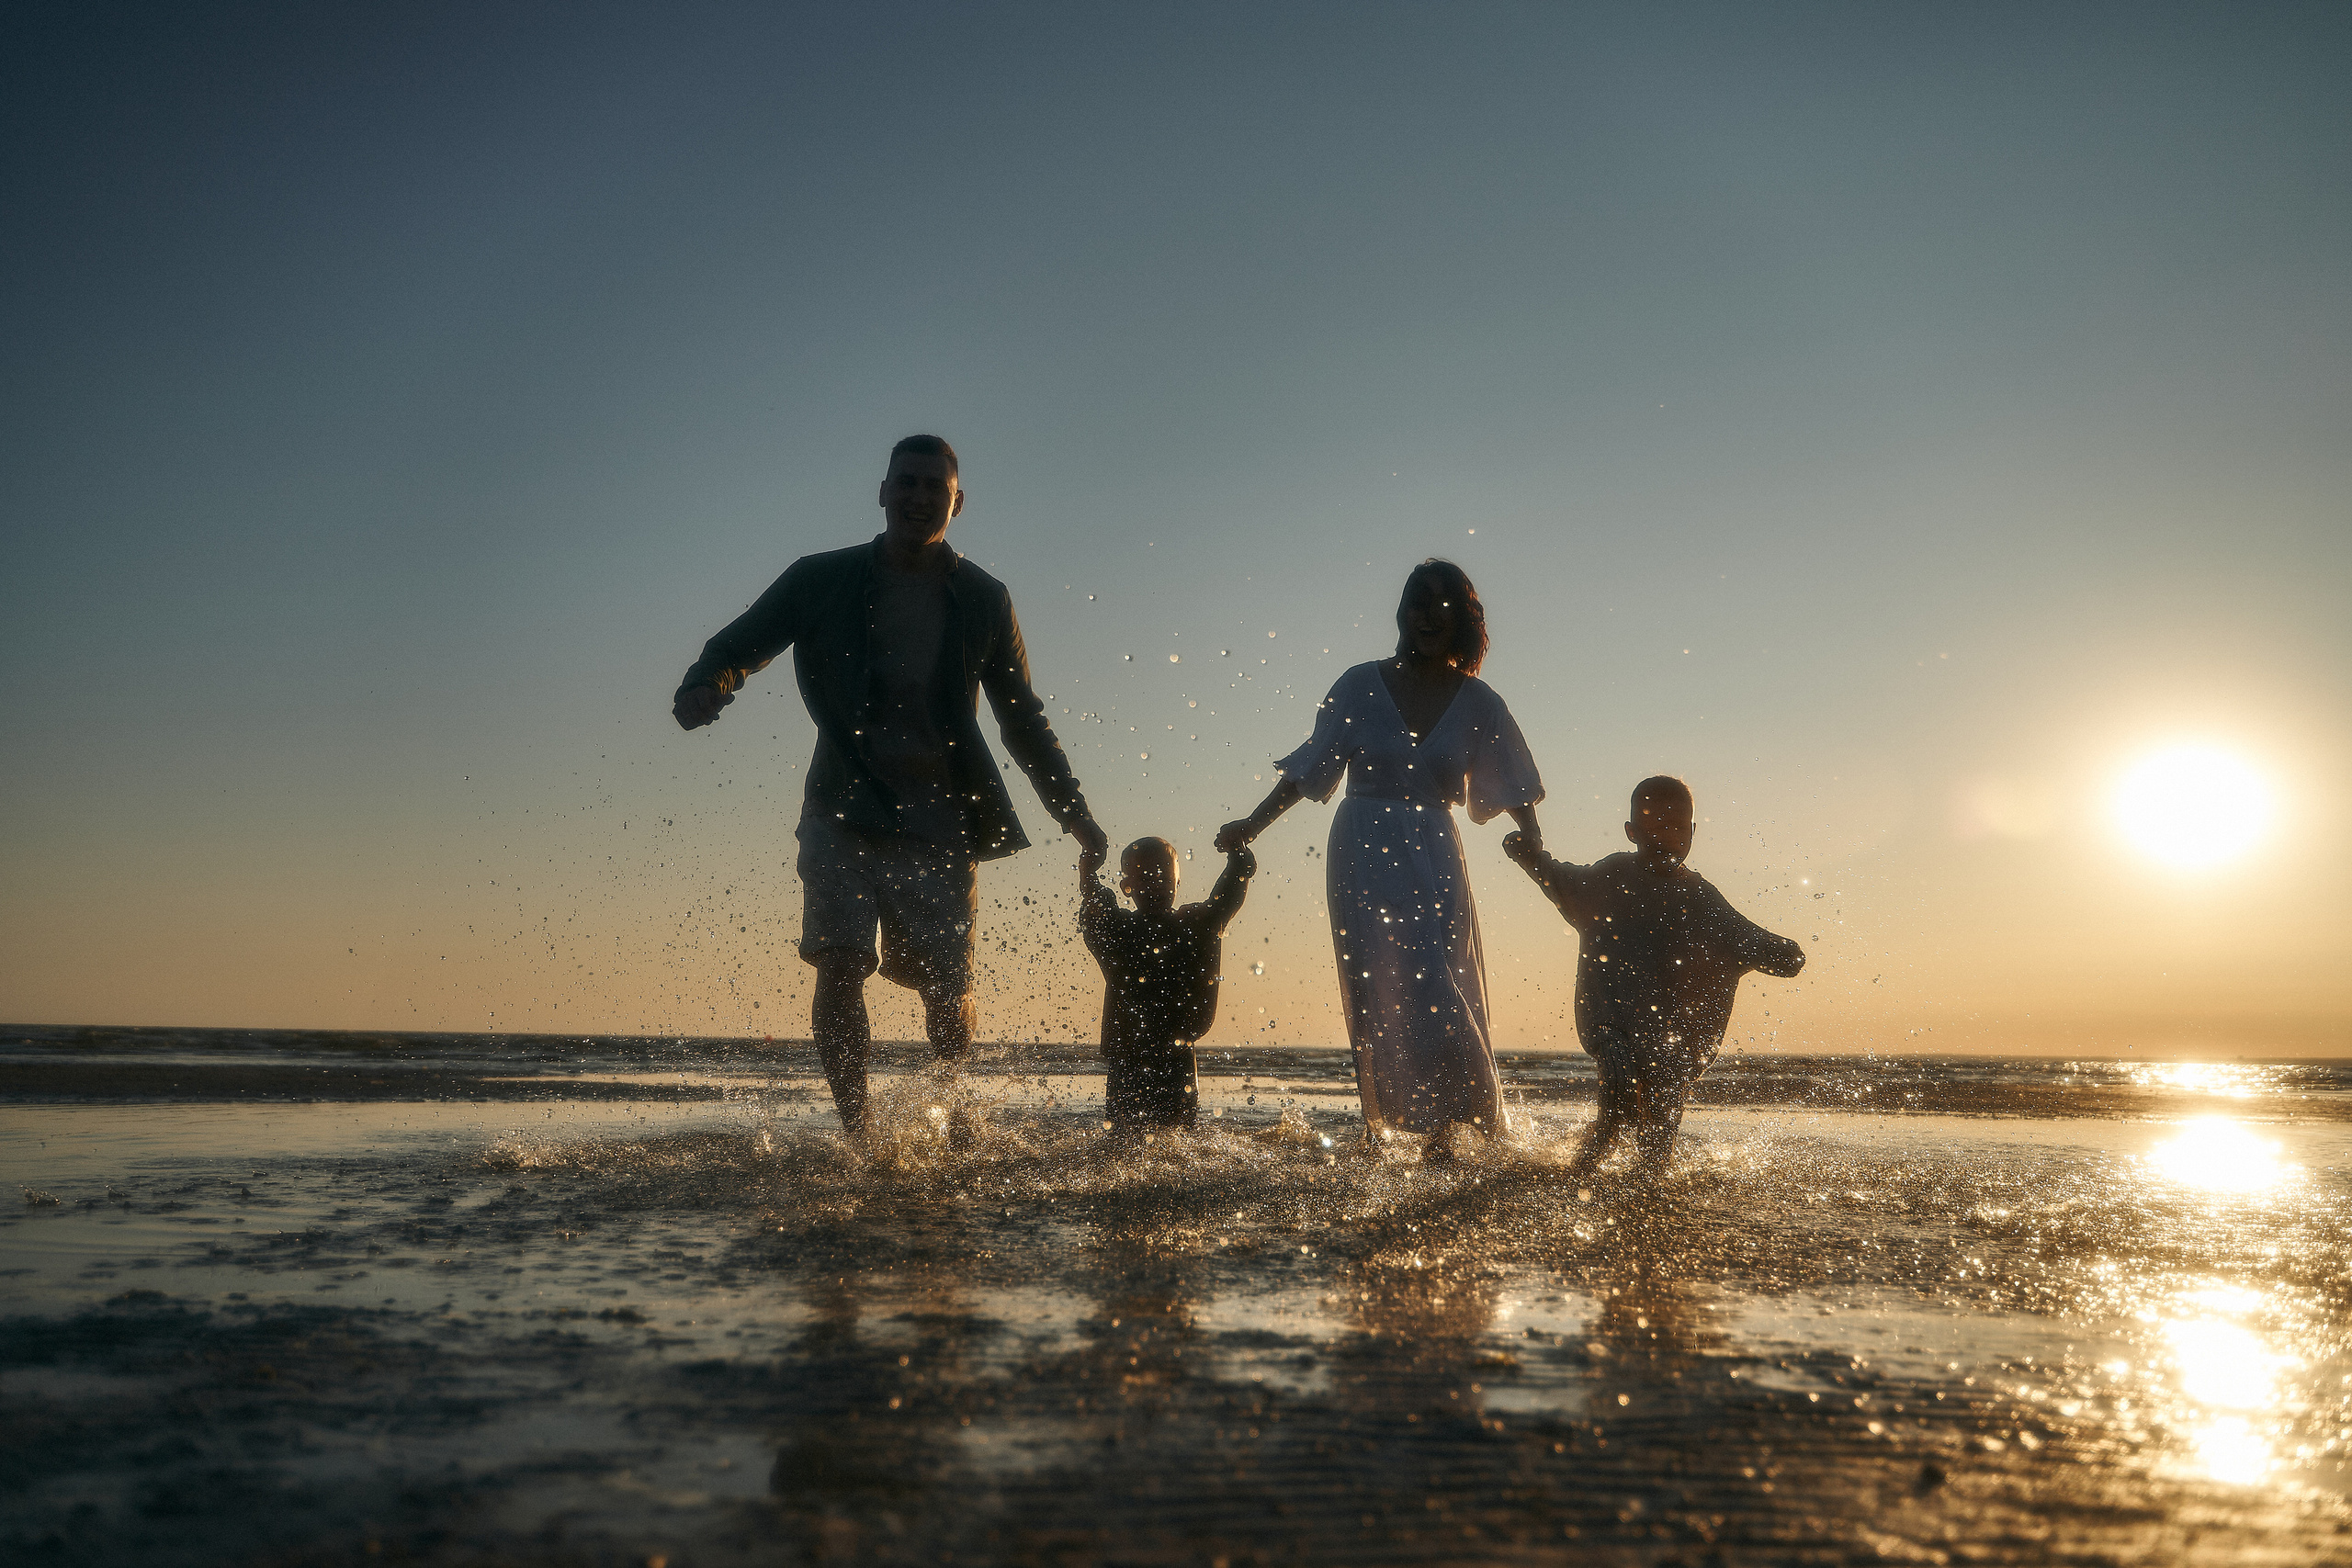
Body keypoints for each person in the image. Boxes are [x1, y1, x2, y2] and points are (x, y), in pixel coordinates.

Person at [671, 434, 1108, 1137]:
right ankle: (860, 1135)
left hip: (942, 819)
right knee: (839, 962)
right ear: (882, 491)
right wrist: (706, 684)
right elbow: (738, 644)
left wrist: (1074, 813)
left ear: (957, 502)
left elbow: (1021, 720)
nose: (918, 496)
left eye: (935, 487)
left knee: (947, 991)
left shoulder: (984, 599)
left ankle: (949, 1112)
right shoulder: (819, 579)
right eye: (906, 482)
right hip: (841, 808)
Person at [1216, 559, 1544, 1161]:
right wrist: (1253, 823)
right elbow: (1312, 767)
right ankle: (1384, 1124)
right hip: (1363, 843)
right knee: (1380, 986)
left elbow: (1513, 782)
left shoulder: (1479, 701)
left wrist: (1536, 845)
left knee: (1446, 986)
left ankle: (1458, 1127)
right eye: (1418, 601)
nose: (1427, 615)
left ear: (1464, 620)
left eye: (1443, 605)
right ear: (1403, 611)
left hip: (1437, 848)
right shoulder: (1359, 684)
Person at [1503, 775, 1805, 1178]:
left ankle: (1649, 1181)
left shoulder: (1702, 900)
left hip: (1674, 1037)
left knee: (1662, 1116)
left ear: (1693, 833)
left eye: (1679, 827)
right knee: (1615, 1098)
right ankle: (1577, 1173)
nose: (1669, 836)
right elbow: (1563, 882)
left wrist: (1782, 952)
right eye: (1657, 825)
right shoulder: (1610, 877)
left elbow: (1747, 938)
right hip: (1611, 1024)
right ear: (1632, 832)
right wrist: (1529, 858)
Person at [1079, 836, 1256, 1134]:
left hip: (1178, 1054)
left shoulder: (1192, 926)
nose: (1156, 884)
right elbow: (1097, 913)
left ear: (1177, 880)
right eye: (1145, 877)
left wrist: (1238, 861)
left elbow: (1223, 904)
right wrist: (1088, 877)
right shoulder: (1121, 931)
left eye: (1163, 876)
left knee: (1178, 1136)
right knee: (1123, 1136)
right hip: (1128, 1059)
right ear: (1127, 887)